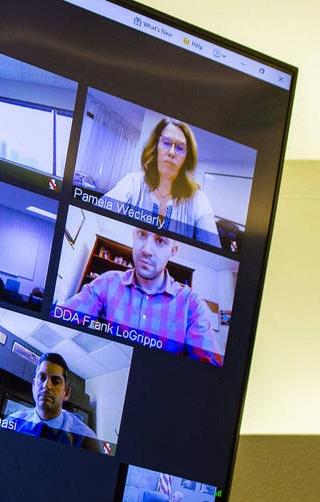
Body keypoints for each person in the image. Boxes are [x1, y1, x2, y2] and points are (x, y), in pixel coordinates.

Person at [59, 227, 223, 366]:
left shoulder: (191, 303)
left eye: (160, 241)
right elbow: (63, 317)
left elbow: (208, 368)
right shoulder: (108, 281)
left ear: (172, 251)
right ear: (134, 236)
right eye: (142, 235)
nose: (146, 250)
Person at [103, 119, 221, 247]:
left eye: (180, 148)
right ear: (155, 146)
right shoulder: (133, 182)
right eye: (166, 143)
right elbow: (101, 217)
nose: (171, 152)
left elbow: (212, 248)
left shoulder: (198, 200)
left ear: (187, 157)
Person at [2, 353, 101, 452]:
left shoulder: (86, 438)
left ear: (66, 393)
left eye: (55, 381)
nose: (46, 386)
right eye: (42, 378)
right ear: (33, 385)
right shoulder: (12, 422)